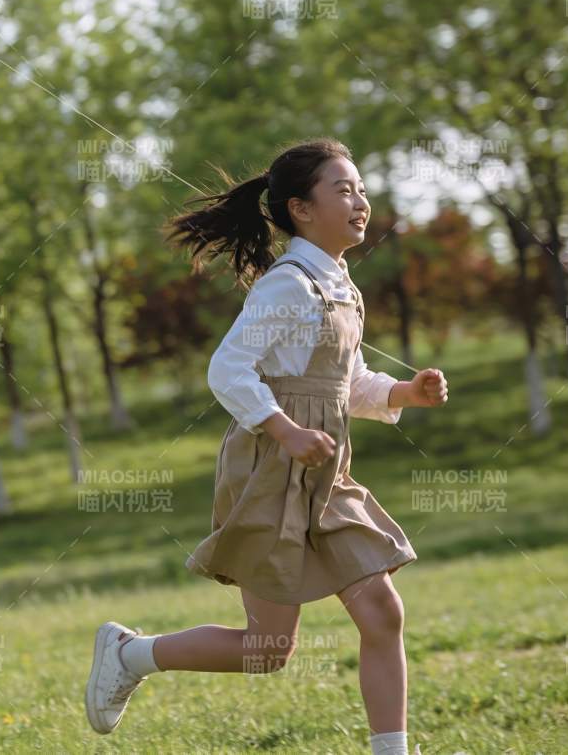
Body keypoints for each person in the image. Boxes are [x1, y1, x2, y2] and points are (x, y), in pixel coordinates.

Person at [84, 138, 449, 755]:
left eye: (361, 188)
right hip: (269, 472)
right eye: (343, 189)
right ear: (301, 209)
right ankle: (131, 654)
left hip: (327, 473)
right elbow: (227, 371)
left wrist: (405, 393)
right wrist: (284, 430)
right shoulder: (288, 286)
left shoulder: (340, 285)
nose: (360, 201)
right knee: (267, 651)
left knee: (383, 613)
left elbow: (347, 383)